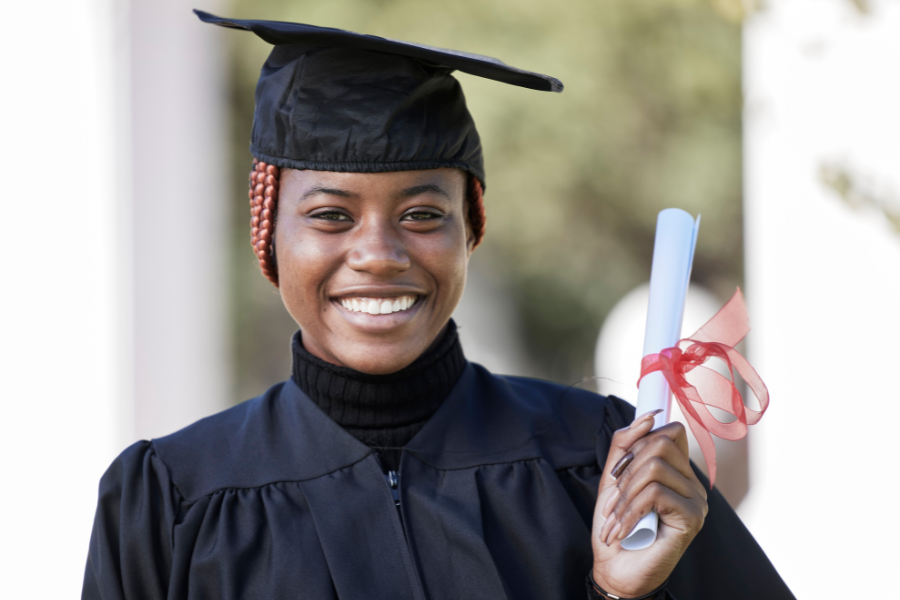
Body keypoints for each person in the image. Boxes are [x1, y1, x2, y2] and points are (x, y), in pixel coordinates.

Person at [82, 11, 794, 600]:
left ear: (471, 227)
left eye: (423, 214)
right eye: (331, 216)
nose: (380, 252)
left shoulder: (601, 466)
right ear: (268, 235)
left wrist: (620, 596)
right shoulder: (170, 503)